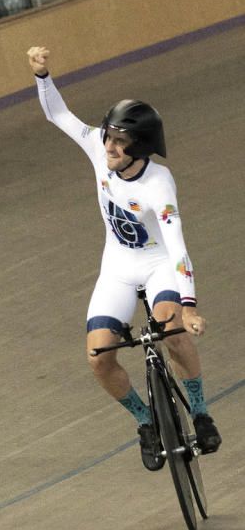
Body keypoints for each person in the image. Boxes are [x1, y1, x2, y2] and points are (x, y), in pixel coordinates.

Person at [26, 45, 220, 470]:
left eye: (120, 140)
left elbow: (178, 246)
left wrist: (188, 305)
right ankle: (146, 422)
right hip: (117, 266)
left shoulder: (158, 184)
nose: (110, 145)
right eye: (110, 136)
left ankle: (201, 412)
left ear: (141, 147)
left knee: (171, 330)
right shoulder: (99, 146)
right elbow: (59, 116)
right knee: (98, 356)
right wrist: (43, 76)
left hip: (158, 265)